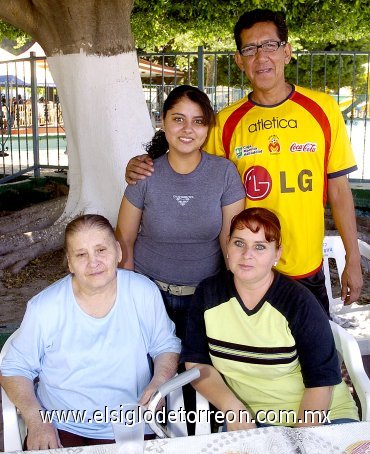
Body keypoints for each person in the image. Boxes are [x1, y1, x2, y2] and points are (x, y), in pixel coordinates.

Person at [124, 9, 363, 316]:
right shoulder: (226, 122)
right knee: (246, 361)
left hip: (305, 268)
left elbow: (340, 192)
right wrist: (143, 163)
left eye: (270, 46)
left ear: (287, 52)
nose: (261, 57)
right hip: (246, 271)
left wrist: (353, 261)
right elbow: (188, 162)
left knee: (310, 358)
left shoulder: (323, 109)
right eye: (250, 49)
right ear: (239, 60)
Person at [0, 214, 181, 450]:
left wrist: (159, 381)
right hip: (61, 426)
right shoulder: (45, 307)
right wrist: (36, 421)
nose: (93, 262)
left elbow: (165, 344)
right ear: (69, 262)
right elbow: (14, 368)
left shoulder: (142, 291)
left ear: (118, 251)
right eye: (81, 254)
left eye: (101, 250)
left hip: (130, 422)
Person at [181, 207, 359, 432]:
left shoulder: (298, 302)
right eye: (239, 243)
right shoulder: (208, 294)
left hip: (321, 418)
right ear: (227, 245)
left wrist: (298, 442)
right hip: (249, 420)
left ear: (277, 254)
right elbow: (197, 363)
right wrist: (231, 408)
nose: (247, 255)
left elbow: (321, 383)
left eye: (260, 247)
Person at [116, 85, 245, 341]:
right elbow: (124, 239)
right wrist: (130, 295)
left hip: (205, 297)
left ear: (207, 128)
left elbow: (230, 241)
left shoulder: (224, 173)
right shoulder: (144, 173)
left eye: (198, 121)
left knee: (197, 374)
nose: (188, 129)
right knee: (153, 375)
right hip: (149, 294)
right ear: (163, 122)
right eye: (178, 119)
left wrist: (233, 294)